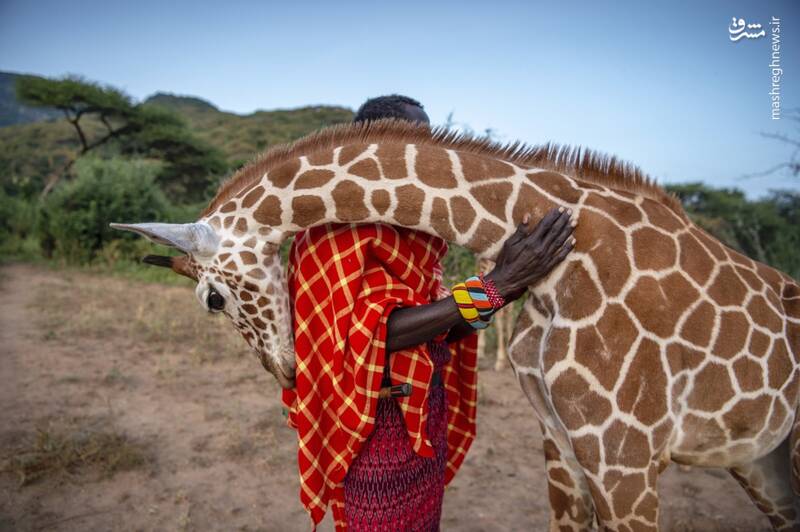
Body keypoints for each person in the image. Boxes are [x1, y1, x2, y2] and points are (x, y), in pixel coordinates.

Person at [282, 95, 575, 531]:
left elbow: (437, 329)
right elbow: (376, 332)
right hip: (372, 429)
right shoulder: (329, 234)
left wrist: (507, 287)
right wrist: (497, 285)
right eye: (417, 143)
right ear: (374, 147)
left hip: (424, 414)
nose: (429, 157)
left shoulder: (416, 236)